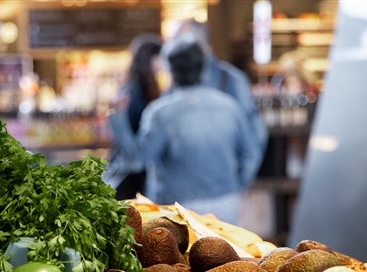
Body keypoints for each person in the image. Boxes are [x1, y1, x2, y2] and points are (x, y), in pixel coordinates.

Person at [110, 35, 264, 223]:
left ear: (170, 71)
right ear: (204, 66)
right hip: (226, 203)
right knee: (225, 252)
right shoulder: (230, 106)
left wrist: (117, 117)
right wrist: (236, 186)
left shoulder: (160, 113)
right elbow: (251, 154)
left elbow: (136, 160)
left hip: (178, 208)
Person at [173, 19, 268, 151]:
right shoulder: (176, 82)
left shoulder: (232, 80)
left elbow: (254, 135)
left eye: (180, 42)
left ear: (204, 46)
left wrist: (238, 171)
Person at [103, 34, 164, 200]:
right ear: (151, 59)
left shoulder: (142, 88)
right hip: (131, 171)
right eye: (160, 57)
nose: (163, 63)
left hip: (137, 170)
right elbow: (126, 140)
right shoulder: (133, 92)